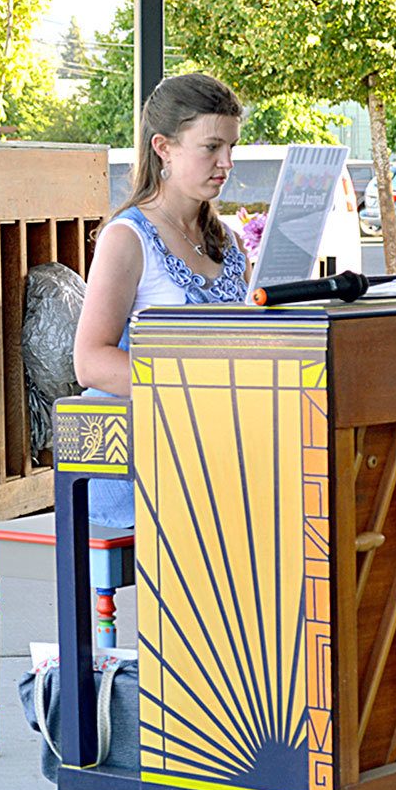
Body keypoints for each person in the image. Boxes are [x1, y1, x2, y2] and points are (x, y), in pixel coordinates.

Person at [73, 73, 252, 529]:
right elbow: (90, 363)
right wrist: (195, 385)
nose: (226, 162)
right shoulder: (127, 238)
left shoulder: (228, 242)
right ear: (163, 148)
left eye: (231, 147)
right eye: (211, 147)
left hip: (214, 443)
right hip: (142, 453)